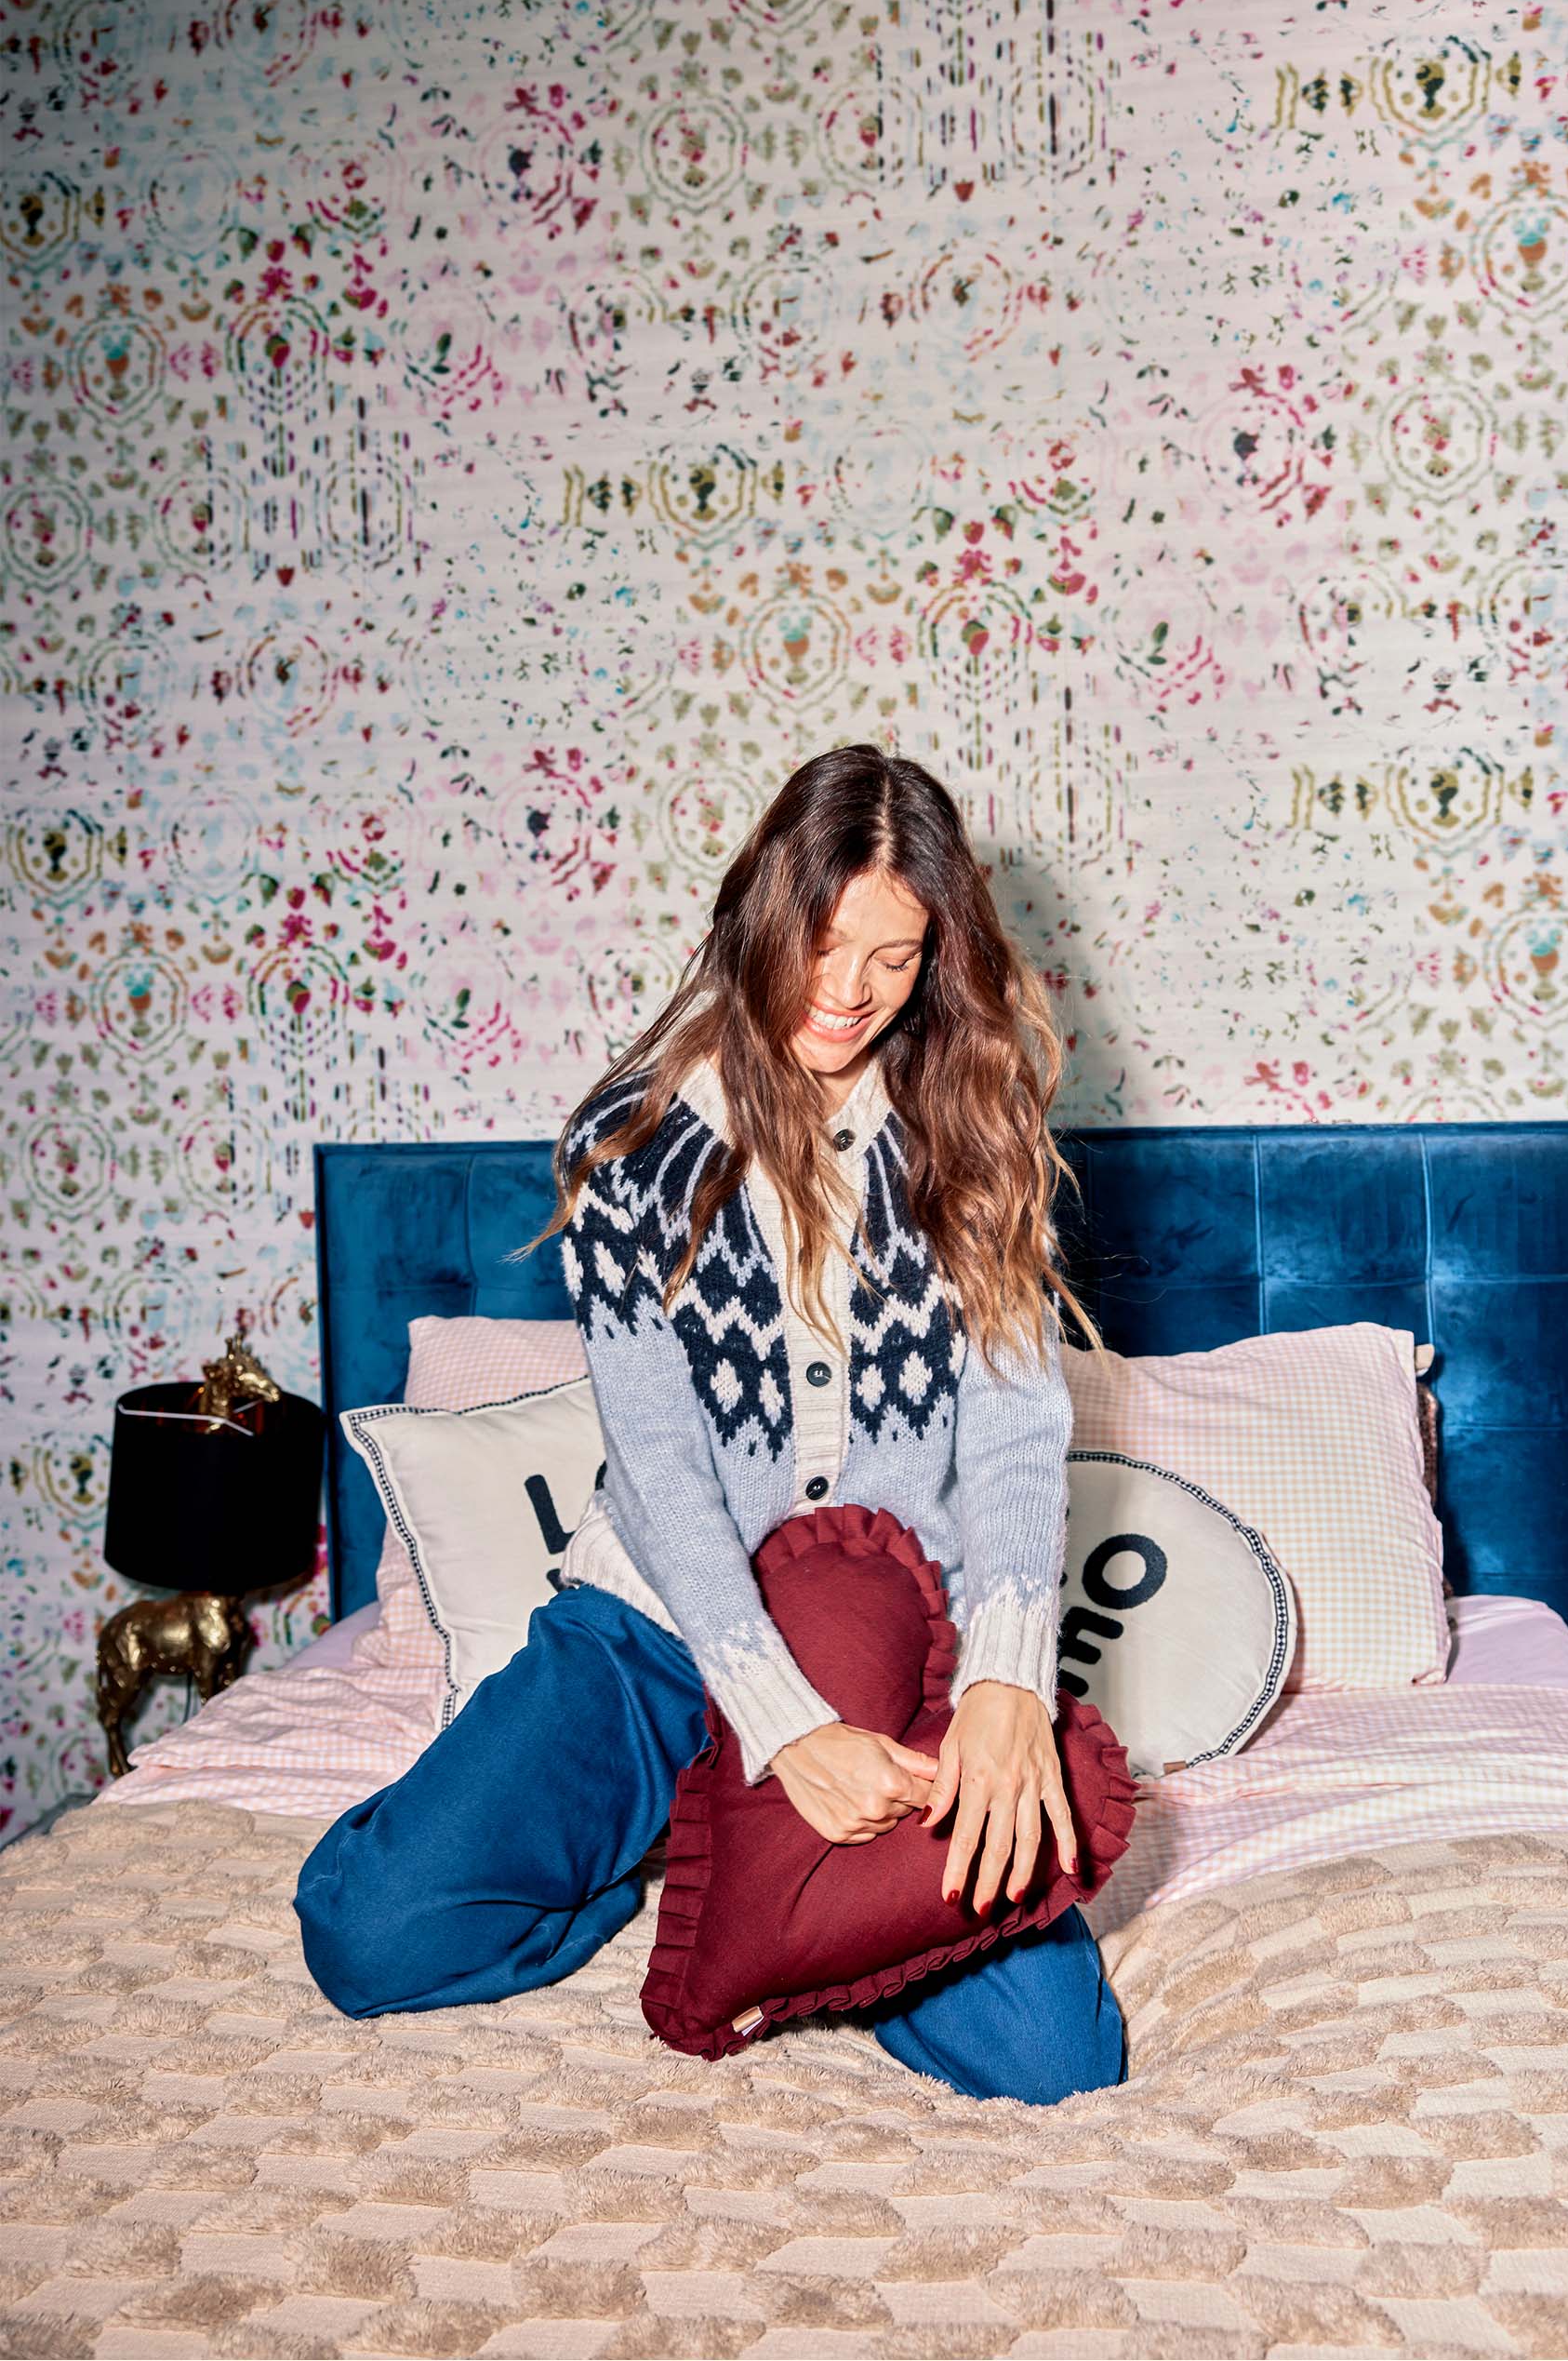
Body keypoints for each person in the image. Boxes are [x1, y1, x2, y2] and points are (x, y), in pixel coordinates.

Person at [294, 742, 1127, 2105]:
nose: (851, 993)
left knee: (1054, 2061)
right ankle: (677, 1847)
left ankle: (767, 1886)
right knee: (369, 1936)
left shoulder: (973, 1130)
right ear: (760, 917)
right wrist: (780, 1733)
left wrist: (1004, 1684)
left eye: (897, 957)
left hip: (893, 1638)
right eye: (825, 944)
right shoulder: (631, 1145)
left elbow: (1018, 1438)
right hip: (657, 1627)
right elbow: (666, 1469)